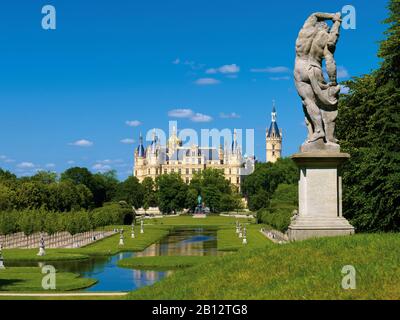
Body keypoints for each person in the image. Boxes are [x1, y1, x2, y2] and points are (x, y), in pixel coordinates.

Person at [294, 12, 342, 146]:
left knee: (309, 101)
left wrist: (333, 16)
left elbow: (314, 14)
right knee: (323, 104)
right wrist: (333, 81)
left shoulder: (306, 31)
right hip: (314, 68)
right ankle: (323, 133)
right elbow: (330, 62)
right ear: (326, 29)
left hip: (299, 69)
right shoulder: (326, 40)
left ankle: (317, 131)